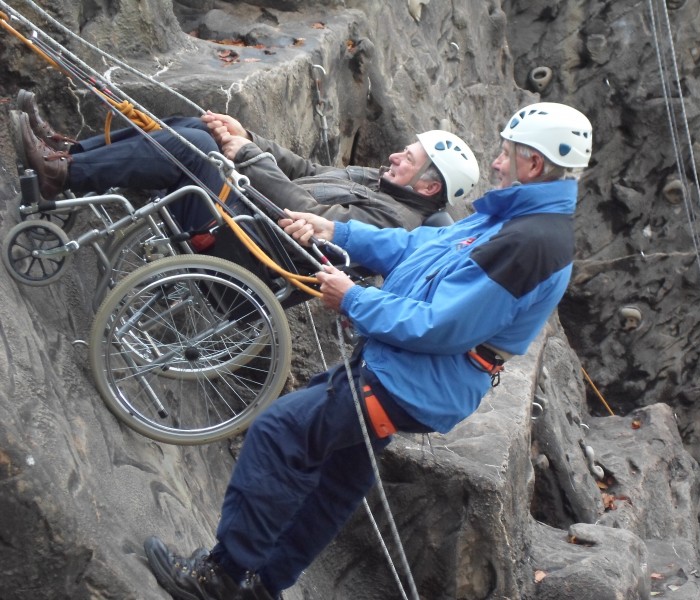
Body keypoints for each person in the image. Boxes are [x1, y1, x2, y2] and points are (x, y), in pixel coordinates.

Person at [142, 101, 593, 600]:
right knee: (337, 479)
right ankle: (261, 586)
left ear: (533, 163)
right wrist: (334, 230)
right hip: (408, 376)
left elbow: (442, 325)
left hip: (407, 380)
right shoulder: (515, 221)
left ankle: (222, 577)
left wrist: (353, 297)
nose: (497, 163)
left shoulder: (531, 241)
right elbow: (414, 249)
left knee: (279, 433)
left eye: (506, 154)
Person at [9, 90, 480, 240]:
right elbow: (305, 170)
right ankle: (71, 156)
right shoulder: (378, 183)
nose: (396, 156)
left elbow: (312, 212)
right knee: (201, 127)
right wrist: (247, 136)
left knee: (193, 144)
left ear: (427, 189)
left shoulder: (393, 220)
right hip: (244, 209)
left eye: (409, 160)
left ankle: (61, 176)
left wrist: (247, 158)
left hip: (241, 243)